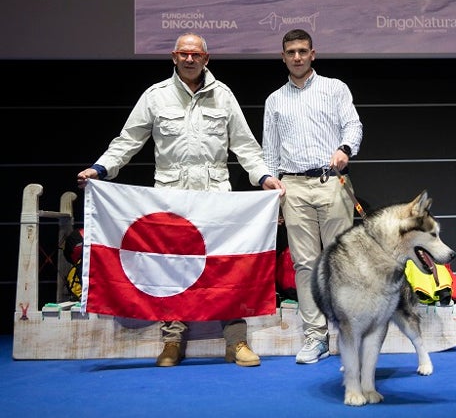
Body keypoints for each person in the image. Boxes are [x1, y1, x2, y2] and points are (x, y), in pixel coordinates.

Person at [77, 32, 285, 368]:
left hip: (216, 199)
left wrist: (264, 177)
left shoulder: (223, 95)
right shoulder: (155, 96)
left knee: (226, 272)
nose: (189, 59)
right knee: (172, 271)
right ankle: (172, 341)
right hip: (171, 199)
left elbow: (245, 146)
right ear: (174, 57)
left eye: (196, 54)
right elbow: (128, 141)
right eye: (183, 54)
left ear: (207, 58)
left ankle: (236, 342)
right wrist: (100, 168)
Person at [261, 28, 363, 364]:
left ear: (313, 54)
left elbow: (353, 125)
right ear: (283, 57)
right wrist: (273, 189)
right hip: (293, 186)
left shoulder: (335, 88)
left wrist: (345, 149)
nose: (297, 57)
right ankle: (315, 337)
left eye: (303, 51)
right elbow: (270, 152)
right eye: (291, 52)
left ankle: (348, 333)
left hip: (331, 180)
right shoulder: (275, 100)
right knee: (305, 264)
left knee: (341, 262)